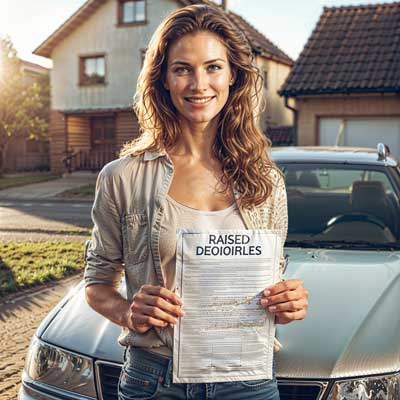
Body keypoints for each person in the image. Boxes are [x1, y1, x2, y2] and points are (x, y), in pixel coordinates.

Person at [84, 4, 309, 399]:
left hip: (248, 380)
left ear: (233, 76)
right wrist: (128, 312)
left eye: (213, 67)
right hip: (154, 379)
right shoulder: (121, 177)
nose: (198, 83)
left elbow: (267, 292)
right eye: (182, 68)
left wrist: (287, 303)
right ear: (163, 80)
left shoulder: (267, 182)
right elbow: (96, 284)